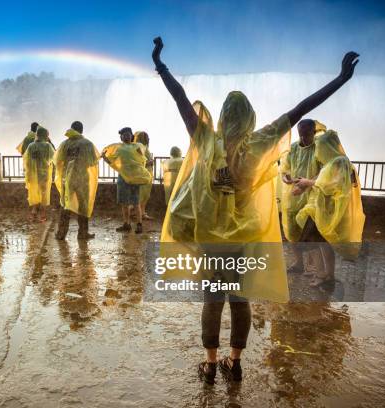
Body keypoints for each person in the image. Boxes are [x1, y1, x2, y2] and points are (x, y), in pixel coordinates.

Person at [152, 35, 359, 384]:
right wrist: (340, 79)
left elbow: (180, 98)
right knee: (240, 300)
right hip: (246, 239)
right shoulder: (260, 142)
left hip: (211, 240)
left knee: (212, 300)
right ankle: (235, 362)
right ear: (249, 118)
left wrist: (160, 64)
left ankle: (210, 363)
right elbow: (300, 109)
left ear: (221, 117)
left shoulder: (205, 139)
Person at [295, 130, 365, 286]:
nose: (317, 152)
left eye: (319, 147)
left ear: (327, 147)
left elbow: (330, 185)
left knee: (313, 242)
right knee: (323, 243)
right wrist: (306, 183)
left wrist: (308, 183)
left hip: (325, 211)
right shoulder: (339, 162)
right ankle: (329, 275)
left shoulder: (338, 162)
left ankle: (321, 274)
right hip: (324, 210)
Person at [280, 120, 325, 273]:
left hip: (312, 197)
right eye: (301, 134)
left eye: (307, 134)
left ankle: (313, 267)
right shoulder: (293, 148)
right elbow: (285, 168)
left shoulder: (319, 148)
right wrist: (286, 177)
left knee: (310, 234)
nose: (303, 138)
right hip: (293, 196)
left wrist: (308, 183)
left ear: (314, 132)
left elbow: (326, 171)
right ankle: (299, 263)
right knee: (292, 232)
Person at [54, 121, 100, 240]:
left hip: (67, 179)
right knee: (83, 206)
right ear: (82, 130)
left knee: (65, 205)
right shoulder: (87, 144)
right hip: (82, 178)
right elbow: (93, 162)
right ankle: (83, 233)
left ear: (71, 129)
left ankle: (61, 233)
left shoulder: (64, 144)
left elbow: (57, 161)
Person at [102, 127, 152, 233]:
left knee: (136, 202)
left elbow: (142, 159)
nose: (126, 136)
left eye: (128, 134)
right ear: (121, 137)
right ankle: (126, 224)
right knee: (124, 203)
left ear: (131, 136)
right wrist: (104, 158)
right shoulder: (119, 149)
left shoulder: (137, 146)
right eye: (124, 135)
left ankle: (139, 224)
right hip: (123, 178)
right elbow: (113, 160)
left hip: (134, 178)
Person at [23, 126, 56, 221]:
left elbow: (27, 161)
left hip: (32, 174)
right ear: (45, 135)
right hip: (44, 174)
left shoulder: (31, 146)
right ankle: (43, 215)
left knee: (34, 193)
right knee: (44, 194)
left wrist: (28, 173)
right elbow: (54, 158)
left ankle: (33, 213)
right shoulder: (47, 146)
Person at [134, 131, 155, 220]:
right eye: (146, 137)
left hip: (147, 174)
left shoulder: (145, 147)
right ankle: (140, 213)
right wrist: (148, 163)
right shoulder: (139, 148)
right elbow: (137, 162)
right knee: (142, 195)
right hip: (143, 175)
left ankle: (142, 212)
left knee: (145, 195)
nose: (148, 139)